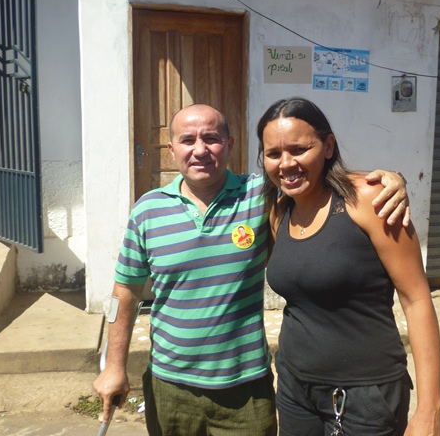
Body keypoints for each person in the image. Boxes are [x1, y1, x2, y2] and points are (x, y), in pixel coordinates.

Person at [93, 103, 410, 436]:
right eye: (187, 140)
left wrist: (391, 179)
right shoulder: (147, 211)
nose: (200, 150)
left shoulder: (261, 196)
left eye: (211, 138)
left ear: (229, 145)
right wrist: (114, 366)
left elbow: (316, 178)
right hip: (169, 387)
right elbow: (124, 292)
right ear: (172, 149)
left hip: (245, 392)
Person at [257, 97, 440, 436]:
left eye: (299, 149)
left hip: (364, 396)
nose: (286, 163)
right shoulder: (279, 211)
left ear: (328, 146)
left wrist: (430, 409)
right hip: (295, 388)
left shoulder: (371, 201)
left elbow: (416, 299)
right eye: (273, 153)